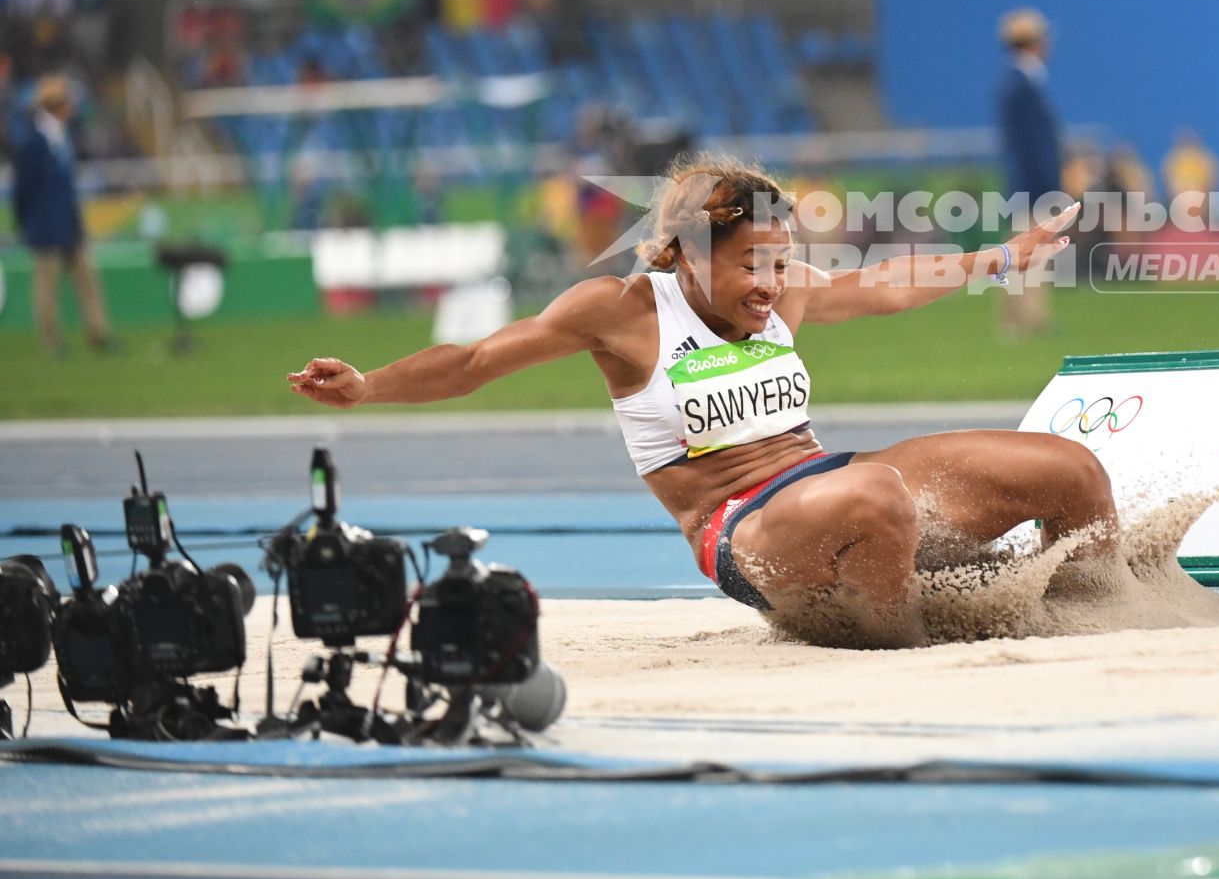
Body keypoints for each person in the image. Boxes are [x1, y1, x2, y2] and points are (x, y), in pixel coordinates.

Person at [289, 155, 1112, 649]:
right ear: (685, 253)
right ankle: (922, 649)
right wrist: (368, 386)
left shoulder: (782, 290)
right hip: (743, 528)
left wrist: (1004, 255)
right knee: (877, 494)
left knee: (1068, 468)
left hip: (838, 480)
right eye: (749, 263)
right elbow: (472, 360)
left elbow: (884, 286)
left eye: (780, 260)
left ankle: (1106, 618)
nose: (768, 282)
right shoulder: (621, 311)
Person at [9, 75, 113, 354]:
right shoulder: (33, 142)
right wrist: (26, 223)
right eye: (68, 102)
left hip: (69, 225)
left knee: (87, 280)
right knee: (47, 288)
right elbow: (23, 190)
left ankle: (99, 333)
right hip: (45, 227)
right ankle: (51, 341)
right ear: (58, 105)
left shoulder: (62, 137)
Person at [994, 9, 1064, 337]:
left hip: (1024, 184)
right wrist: (1051, 184)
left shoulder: (1015, 83)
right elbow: (1036, 144)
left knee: (1019, 252)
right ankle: (1028, 320)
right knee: (1030, 253)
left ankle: (1016, 320)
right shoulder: (1023, 84)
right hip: (1033, 185)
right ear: (1035, 43)